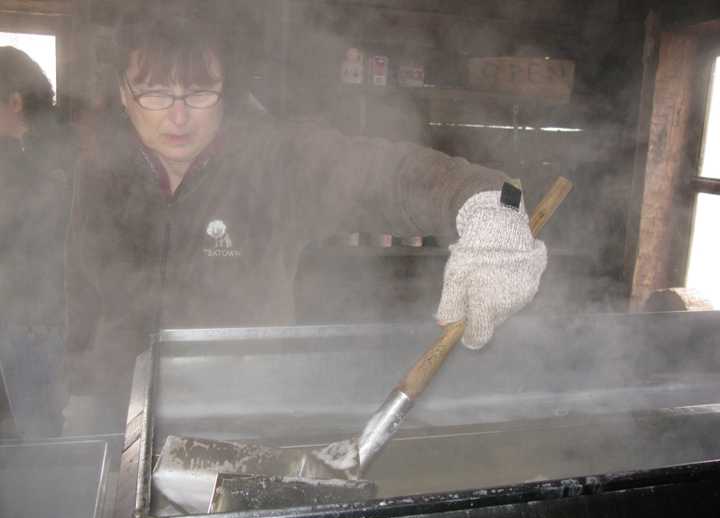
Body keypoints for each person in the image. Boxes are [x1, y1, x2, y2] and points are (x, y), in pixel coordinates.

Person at [64, 7, 547, 431]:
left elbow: (393, 174)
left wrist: (490, 204)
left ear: (225, 89)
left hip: (245, 420)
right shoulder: (95, 174)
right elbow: (74, 294)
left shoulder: (275, 161)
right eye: (154, 93)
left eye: (199, 92)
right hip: (114, 414)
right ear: (124, 94)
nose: (178, 116)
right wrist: (78, 393)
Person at [0, 46, 73, 436]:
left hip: (28, 319)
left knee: (35, 434)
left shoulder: (20, 158)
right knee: (51, 429)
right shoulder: (68, 141)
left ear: (13, 102)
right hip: (53, 314)